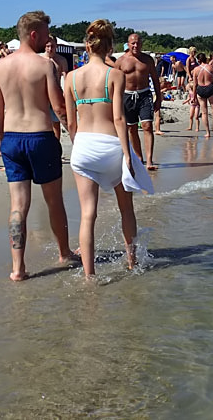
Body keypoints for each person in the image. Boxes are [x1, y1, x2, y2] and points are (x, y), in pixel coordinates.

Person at [0, 10, 75, 281]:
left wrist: (0, 138)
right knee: (54, 201)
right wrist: (74, 134)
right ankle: (64, 253)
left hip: (12, 139)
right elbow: (58, 107)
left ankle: (18, 268)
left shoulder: (1, 65)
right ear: (34, 34)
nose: (49, 39)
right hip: (40, 137)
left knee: (18, 205)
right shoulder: (44, 66)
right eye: (46, 33)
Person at [64, 19, 148, 278]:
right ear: (110, 46)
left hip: (83, 146)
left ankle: (89, 276)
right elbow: (119, 119)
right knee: (126, 209)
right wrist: (128, 155)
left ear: (87, 46)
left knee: (88, 214)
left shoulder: (71, 77)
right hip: (111, 144)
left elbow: (70, 122)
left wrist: (79, 146)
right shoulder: (115, 74)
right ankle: (132, 262)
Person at [115, 33, 161, 169]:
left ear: (141, 44)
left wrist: (158, 97)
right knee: (132, 128)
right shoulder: (121, 61)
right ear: (128, 44)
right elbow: (113, 82)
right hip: (127, 96)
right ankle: (139, 157)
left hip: (145, 94)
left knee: (147, 126)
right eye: (133, 43)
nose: (135, 45)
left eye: (138, 43)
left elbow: (155, 79)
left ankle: (149, 160)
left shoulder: (148, 60)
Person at [191, 52, 213, 138]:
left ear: (198, 60)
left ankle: (207, 132)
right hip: (210, 88)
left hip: (200, 89)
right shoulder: (211, 68)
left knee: (204, 112)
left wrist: (193, 96)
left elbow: (194, 84)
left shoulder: (196, 70)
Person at [44, 35, 68, 140]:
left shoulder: (61, 60)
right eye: (48, 46)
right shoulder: (39, 59)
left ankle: (57, 149)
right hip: (42, 95)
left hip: (56, 94)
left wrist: (67, 94)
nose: (50, 49)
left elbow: (66, 78)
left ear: (56, 46)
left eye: (52, 46)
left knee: (56, 124)